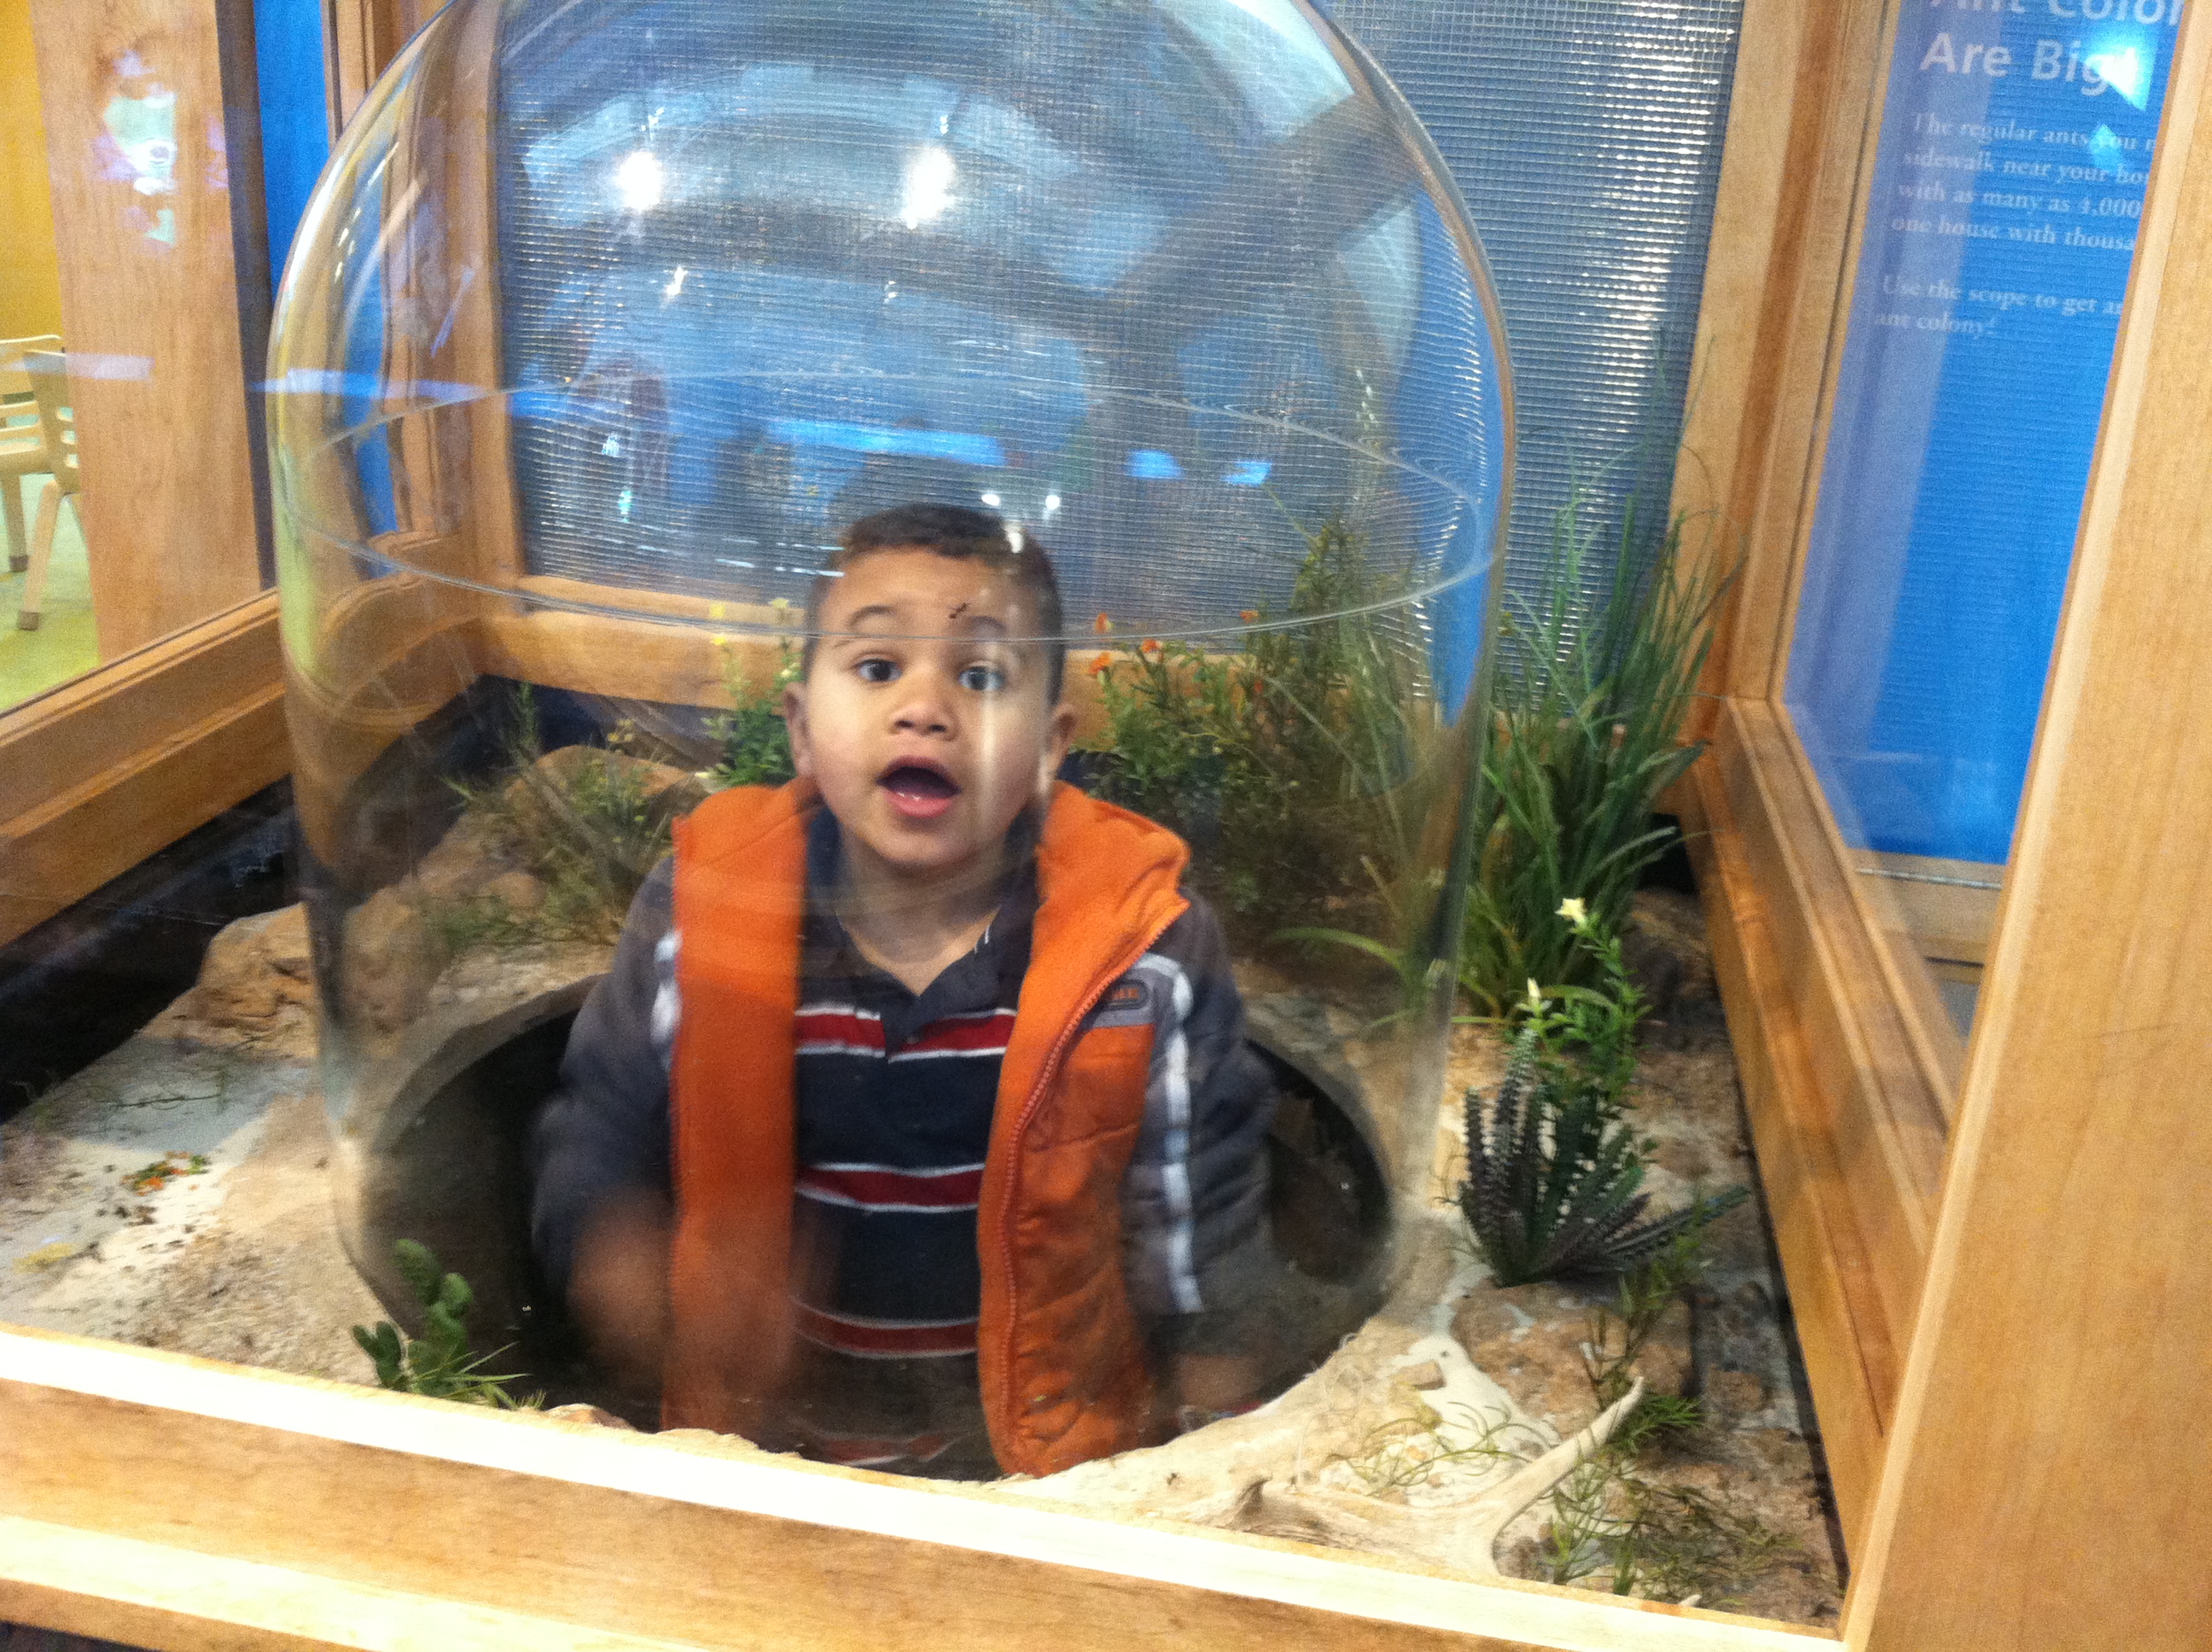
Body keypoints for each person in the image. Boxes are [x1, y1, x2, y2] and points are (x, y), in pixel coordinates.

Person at [532, 503, 1277, 1480]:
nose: (925, 708)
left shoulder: (1145, 951)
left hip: (1049, 1475)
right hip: (761, 1456)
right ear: (802, 727)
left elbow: (1204, 1215)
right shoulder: (701, 910)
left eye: (982, 675)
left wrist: (1216, 1441)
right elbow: (599, 1127)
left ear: (1050, 748)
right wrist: (625, 1276)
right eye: (879, 667)